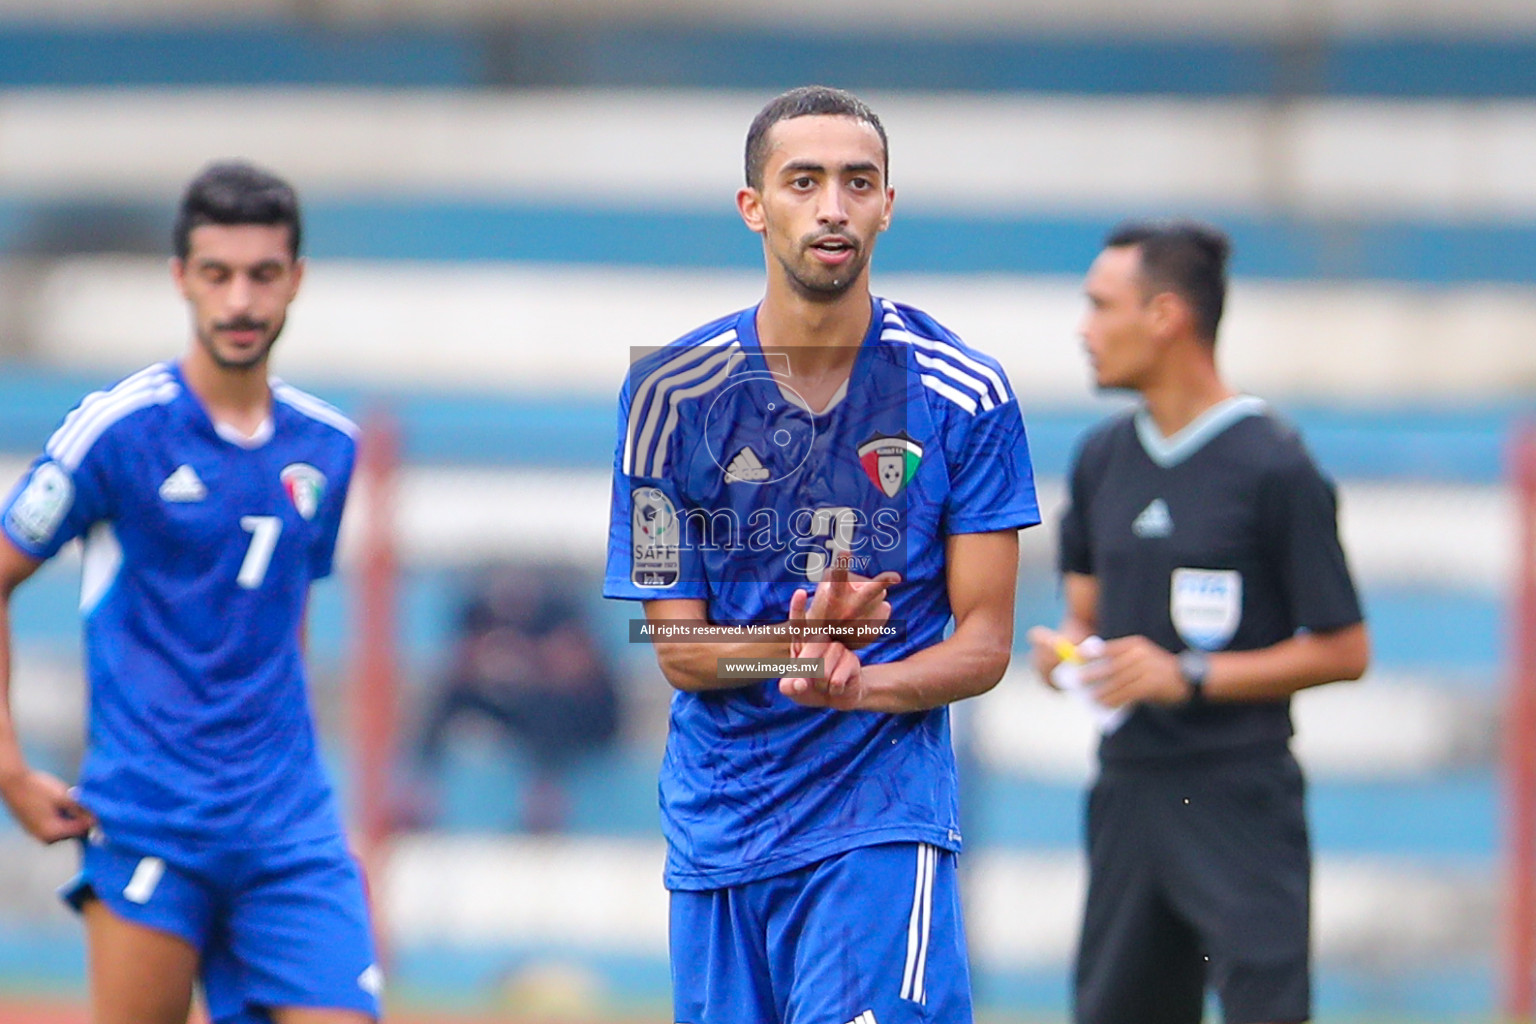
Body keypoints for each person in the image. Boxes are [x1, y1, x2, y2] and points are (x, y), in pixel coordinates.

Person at [604, 85, 1040, 1024]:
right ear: (753, 207)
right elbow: (678, 649)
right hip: (718, 831)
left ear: (889, 203)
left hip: (876, 821)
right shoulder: (669, 399)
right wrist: (792, 652)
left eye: (858, 181)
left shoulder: (966, 393)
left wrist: (861, 685)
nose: (833, 206)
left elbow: (986, 643)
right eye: (804, 182)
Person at [0, 162, 380, 1024]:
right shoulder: (119, 430)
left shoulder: (327, 446)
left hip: (289, 829)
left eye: (262, 275)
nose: (240, 301)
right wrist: (8, 769)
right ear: (182, 280)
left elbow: (290, 615)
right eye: (217, 275)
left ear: (296, 280)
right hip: (150, 819)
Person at [1028, 220, 1371, 1024]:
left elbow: (1347, 648)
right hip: (1129, 794)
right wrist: (1069, 657)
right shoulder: (1101, 456)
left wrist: (1190, 674)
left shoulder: (1274, 465)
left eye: (1101, 305)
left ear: (1166, 316)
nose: (1084, 328)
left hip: (1239, 797)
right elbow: (1084, 616)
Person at [413, 562, 620, 832]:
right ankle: (420, 790)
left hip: (571, 712)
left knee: (547, 708)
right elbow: (459, 661)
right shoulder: (476, 611)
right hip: (504, 702)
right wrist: (489, 661)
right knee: (450, 696)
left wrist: (534, 660)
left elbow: (584, 667)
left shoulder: (561, 611)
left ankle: (545, 798)